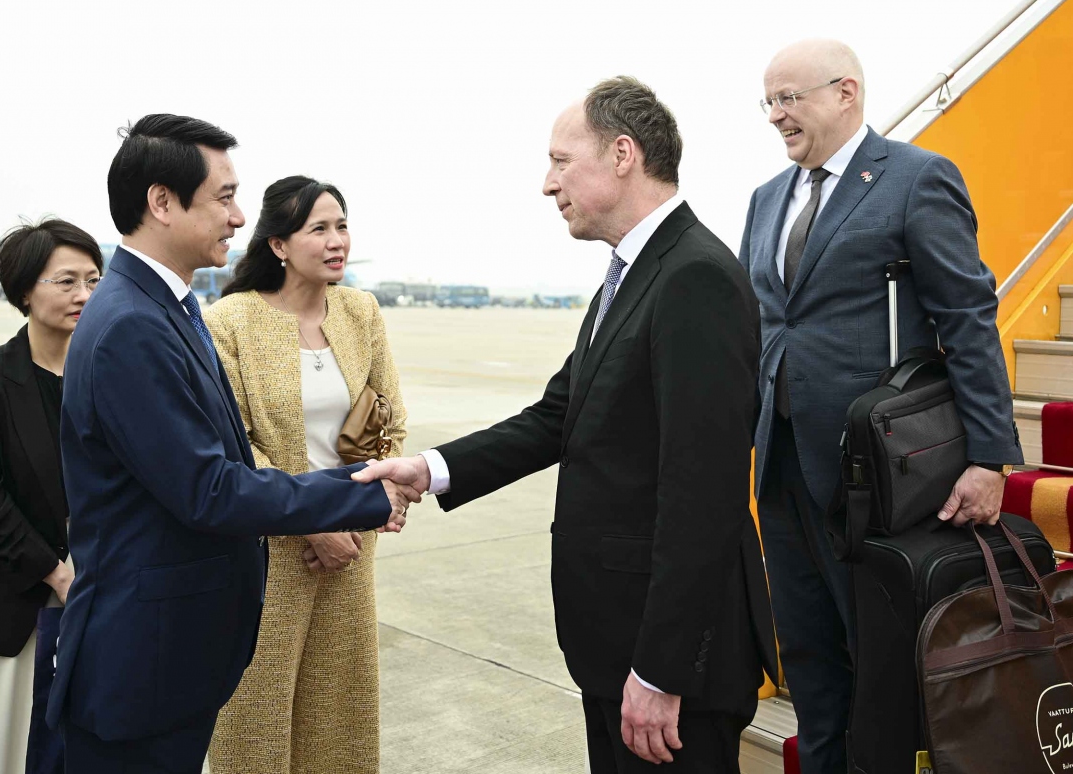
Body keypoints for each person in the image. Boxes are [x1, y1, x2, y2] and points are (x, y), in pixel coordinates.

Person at [356, 77, 777, 773]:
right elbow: (559, 417)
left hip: (670, 668)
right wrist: (427, 470)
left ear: (621, 154)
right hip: (616, 646)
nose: (547, 184)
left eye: (560, 160)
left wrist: (660, 672)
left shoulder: (694, 277)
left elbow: (705, 494)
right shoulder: (634, 274)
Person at [46, 114, 415, 774]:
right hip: (142, 661)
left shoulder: (169, 306)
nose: (239, 216)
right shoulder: (131, 324)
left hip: (174, 651)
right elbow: (209, 488)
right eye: (223, 197)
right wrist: (357, 496)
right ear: (162, 202)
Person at [738, 39, 1024, 774]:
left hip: (882, 475)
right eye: (768, 100)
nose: (775, 115)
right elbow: (767, 326)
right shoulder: (767, 199)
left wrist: (990, 456)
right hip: (784, 467)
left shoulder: (916, 179)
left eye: (788, 98)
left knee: (880, 669)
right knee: (808, 656)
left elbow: (967, 316)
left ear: (846, 93)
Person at [204, 176, 407, 774]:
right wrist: (312, 522)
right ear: (278, 245)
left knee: (341, 710)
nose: (337, 239)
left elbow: (388, 419)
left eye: (342, 225)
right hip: (267, 550)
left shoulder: (360, 310)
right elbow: (233, 444)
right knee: (256, 715)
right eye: (319, 228)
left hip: (350, 545)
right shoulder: (230, 321)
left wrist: (367, 507)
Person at [0, 218, 102, 774]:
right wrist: (57, 575)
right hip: (13, 596)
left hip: (103, 593)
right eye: (67, 281)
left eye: (95, 280)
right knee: (8, 753)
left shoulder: (109, 373)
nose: (85, 294)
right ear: (25, 290)